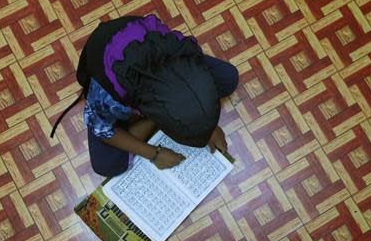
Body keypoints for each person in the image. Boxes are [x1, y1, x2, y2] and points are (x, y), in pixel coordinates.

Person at [50, 14, 239, 177]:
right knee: (108, 165)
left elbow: (192, 92)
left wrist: (208, 127)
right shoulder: (108, 96)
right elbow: (103, 130)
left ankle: (173, 117)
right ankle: (163, 118)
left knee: (229, 78)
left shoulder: (187, 56)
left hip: (155, 62)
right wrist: (153, 153)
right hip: (112, 67)